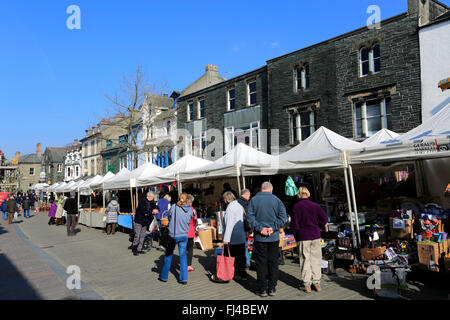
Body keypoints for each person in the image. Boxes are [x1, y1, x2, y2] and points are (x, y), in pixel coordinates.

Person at [245, 182, 287, 297]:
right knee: (273, 262)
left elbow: (249, 217)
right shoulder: (277, 200)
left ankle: (262, 288)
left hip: (260, 237)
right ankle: (272, 288)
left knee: (261, 263)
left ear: (262, 189)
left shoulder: (253, 200)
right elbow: (283, 218)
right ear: (271, 190)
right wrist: (273, 228)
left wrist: (260, 228)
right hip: (273, 237)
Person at [290, 187, 328, 293]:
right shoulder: (315, 206)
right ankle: (317, 283)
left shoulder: (296, 207)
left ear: (299, 194)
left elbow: (294, 224)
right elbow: (324, 219)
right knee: (316, 259)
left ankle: (307, 284)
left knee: (305, 259)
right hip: (315, 235)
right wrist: (318, 225)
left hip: (303, 236)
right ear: (308, 194)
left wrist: (295, 234)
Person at [159, 193, 193, 284]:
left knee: (168, 255)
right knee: (183, 256)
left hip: (173, 235)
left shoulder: (174, 207)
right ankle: (184, 278)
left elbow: (169, 217)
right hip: (184, 235)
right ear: (187, 199)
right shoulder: (190, 209)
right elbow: (190, 220)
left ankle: (164, 276)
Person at [221, 191, 248, 281]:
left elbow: (229, 224)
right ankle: (242, 273)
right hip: (241, 235)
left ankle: (234, 273)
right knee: (241, 256)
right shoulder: (239, 205)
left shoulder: (230, 208)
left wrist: (226, 239)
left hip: (233, 237)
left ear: (226, 200)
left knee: (233, 257)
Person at [133, 191, 159, 256]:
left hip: (145, 221)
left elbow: (155, 206)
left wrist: (156, 209)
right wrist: (152, 212)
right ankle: (135, 248)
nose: (153, 199)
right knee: (137, 235)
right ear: (149, 196)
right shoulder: (142, 201)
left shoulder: (151, 201)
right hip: (139, 220)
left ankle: (139, 249)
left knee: (142, 235)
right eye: (152, 197)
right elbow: (143, 211)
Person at [237, 189, 252, 268]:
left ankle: (243, 262)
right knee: (245, 246)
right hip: (244, 228)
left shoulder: (236, 202)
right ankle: (247, 263)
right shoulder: (247, 203)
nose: (249, 197)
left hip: (237, 228)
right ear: (246, 195)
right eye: (249, 196)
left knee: (240, 246)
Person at [186, 194, 198, 272]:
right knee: (190, 248)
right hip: (190, 231)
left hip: (182, 231)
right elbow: (195, 221)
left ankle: (184, 264)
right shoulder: (193, 209)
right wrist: (196, 233)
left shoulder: (180, 208)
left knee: (183, 248)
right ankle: (188, 265)